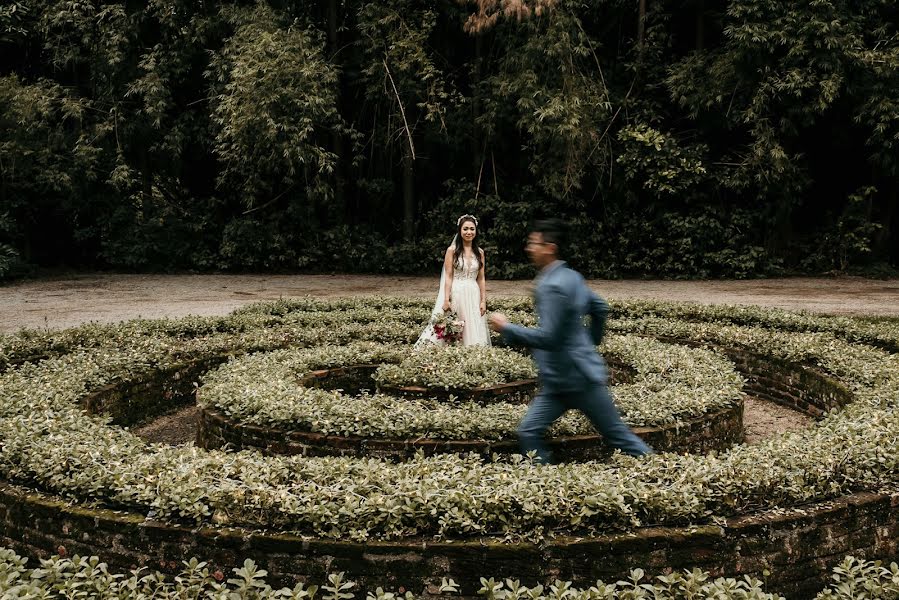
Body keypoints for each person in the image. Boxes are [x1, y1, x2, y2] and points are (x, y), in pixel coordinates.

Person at [488, 218, 652, 463]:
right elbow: (599, 308)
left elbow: (550, 338)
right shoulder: (571, 276)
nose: (529, 248)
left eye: (534, 243)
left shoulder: (551, 286)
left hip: (576, 380)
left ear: (550, 248)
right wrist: (590, 342)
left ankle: (664, 472)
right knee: (529, 431)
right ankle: (547, 487)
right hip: (562, 381)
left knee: (618, 436)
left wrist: (506, 328)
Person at [415, 214, 491, 348]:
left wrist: (483, 301)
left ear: (476, 231)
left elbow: (481, 278)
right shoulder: (452, 251)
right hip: (457, 292)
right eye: (465, 229)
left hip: (473, 293)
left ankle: (472, 353)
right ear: (460, 231)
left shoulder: (480, 252)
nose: (469, 232)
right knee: (454, 324)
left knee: (472, 326)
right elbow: (448, 276)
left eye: (472, 229)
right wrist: (446, 299)